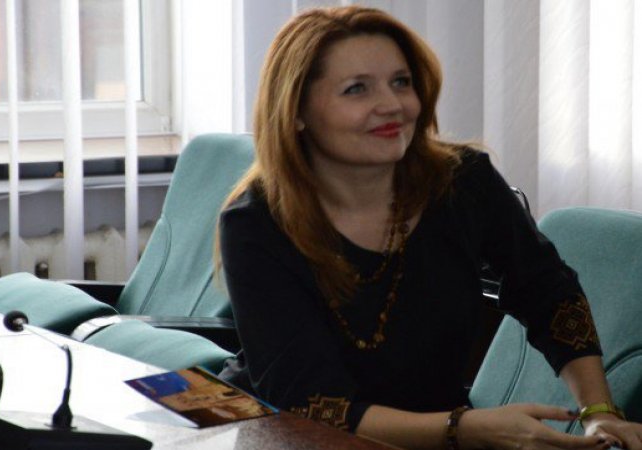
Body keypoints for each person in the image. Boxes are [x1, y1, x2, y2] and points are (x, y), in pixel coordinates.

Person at [216, 5, 642, 450]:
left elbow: (550, 294)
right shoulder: (255, 222)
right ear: (296, 110)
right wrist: (463, 429)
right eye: (357, 89)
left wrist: (599, 411)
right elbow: (311, 405)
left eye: (401, 82)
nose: (392, 105)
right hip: (295, 438)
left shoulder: (463, 182)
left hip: (438, 430)